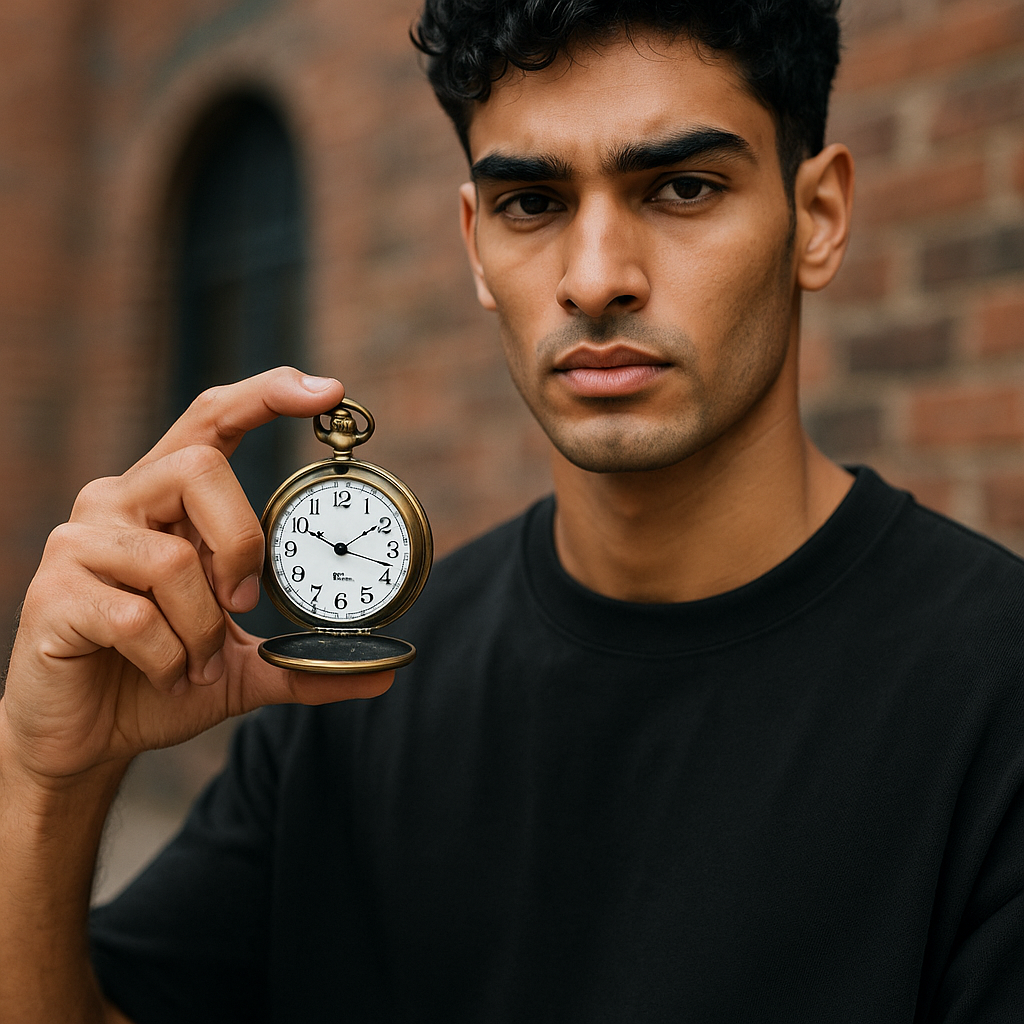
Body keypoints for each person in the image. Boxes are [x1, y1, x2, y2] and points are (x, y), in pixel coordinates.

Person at [2, 0, 1022, 1020]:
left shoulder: (992, 694)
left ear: (820, 217)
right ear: (475, 243)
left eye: (680, 186)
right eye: (531, 202)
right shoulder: (348, 693)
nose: (594, 279)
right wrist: (49, 783)